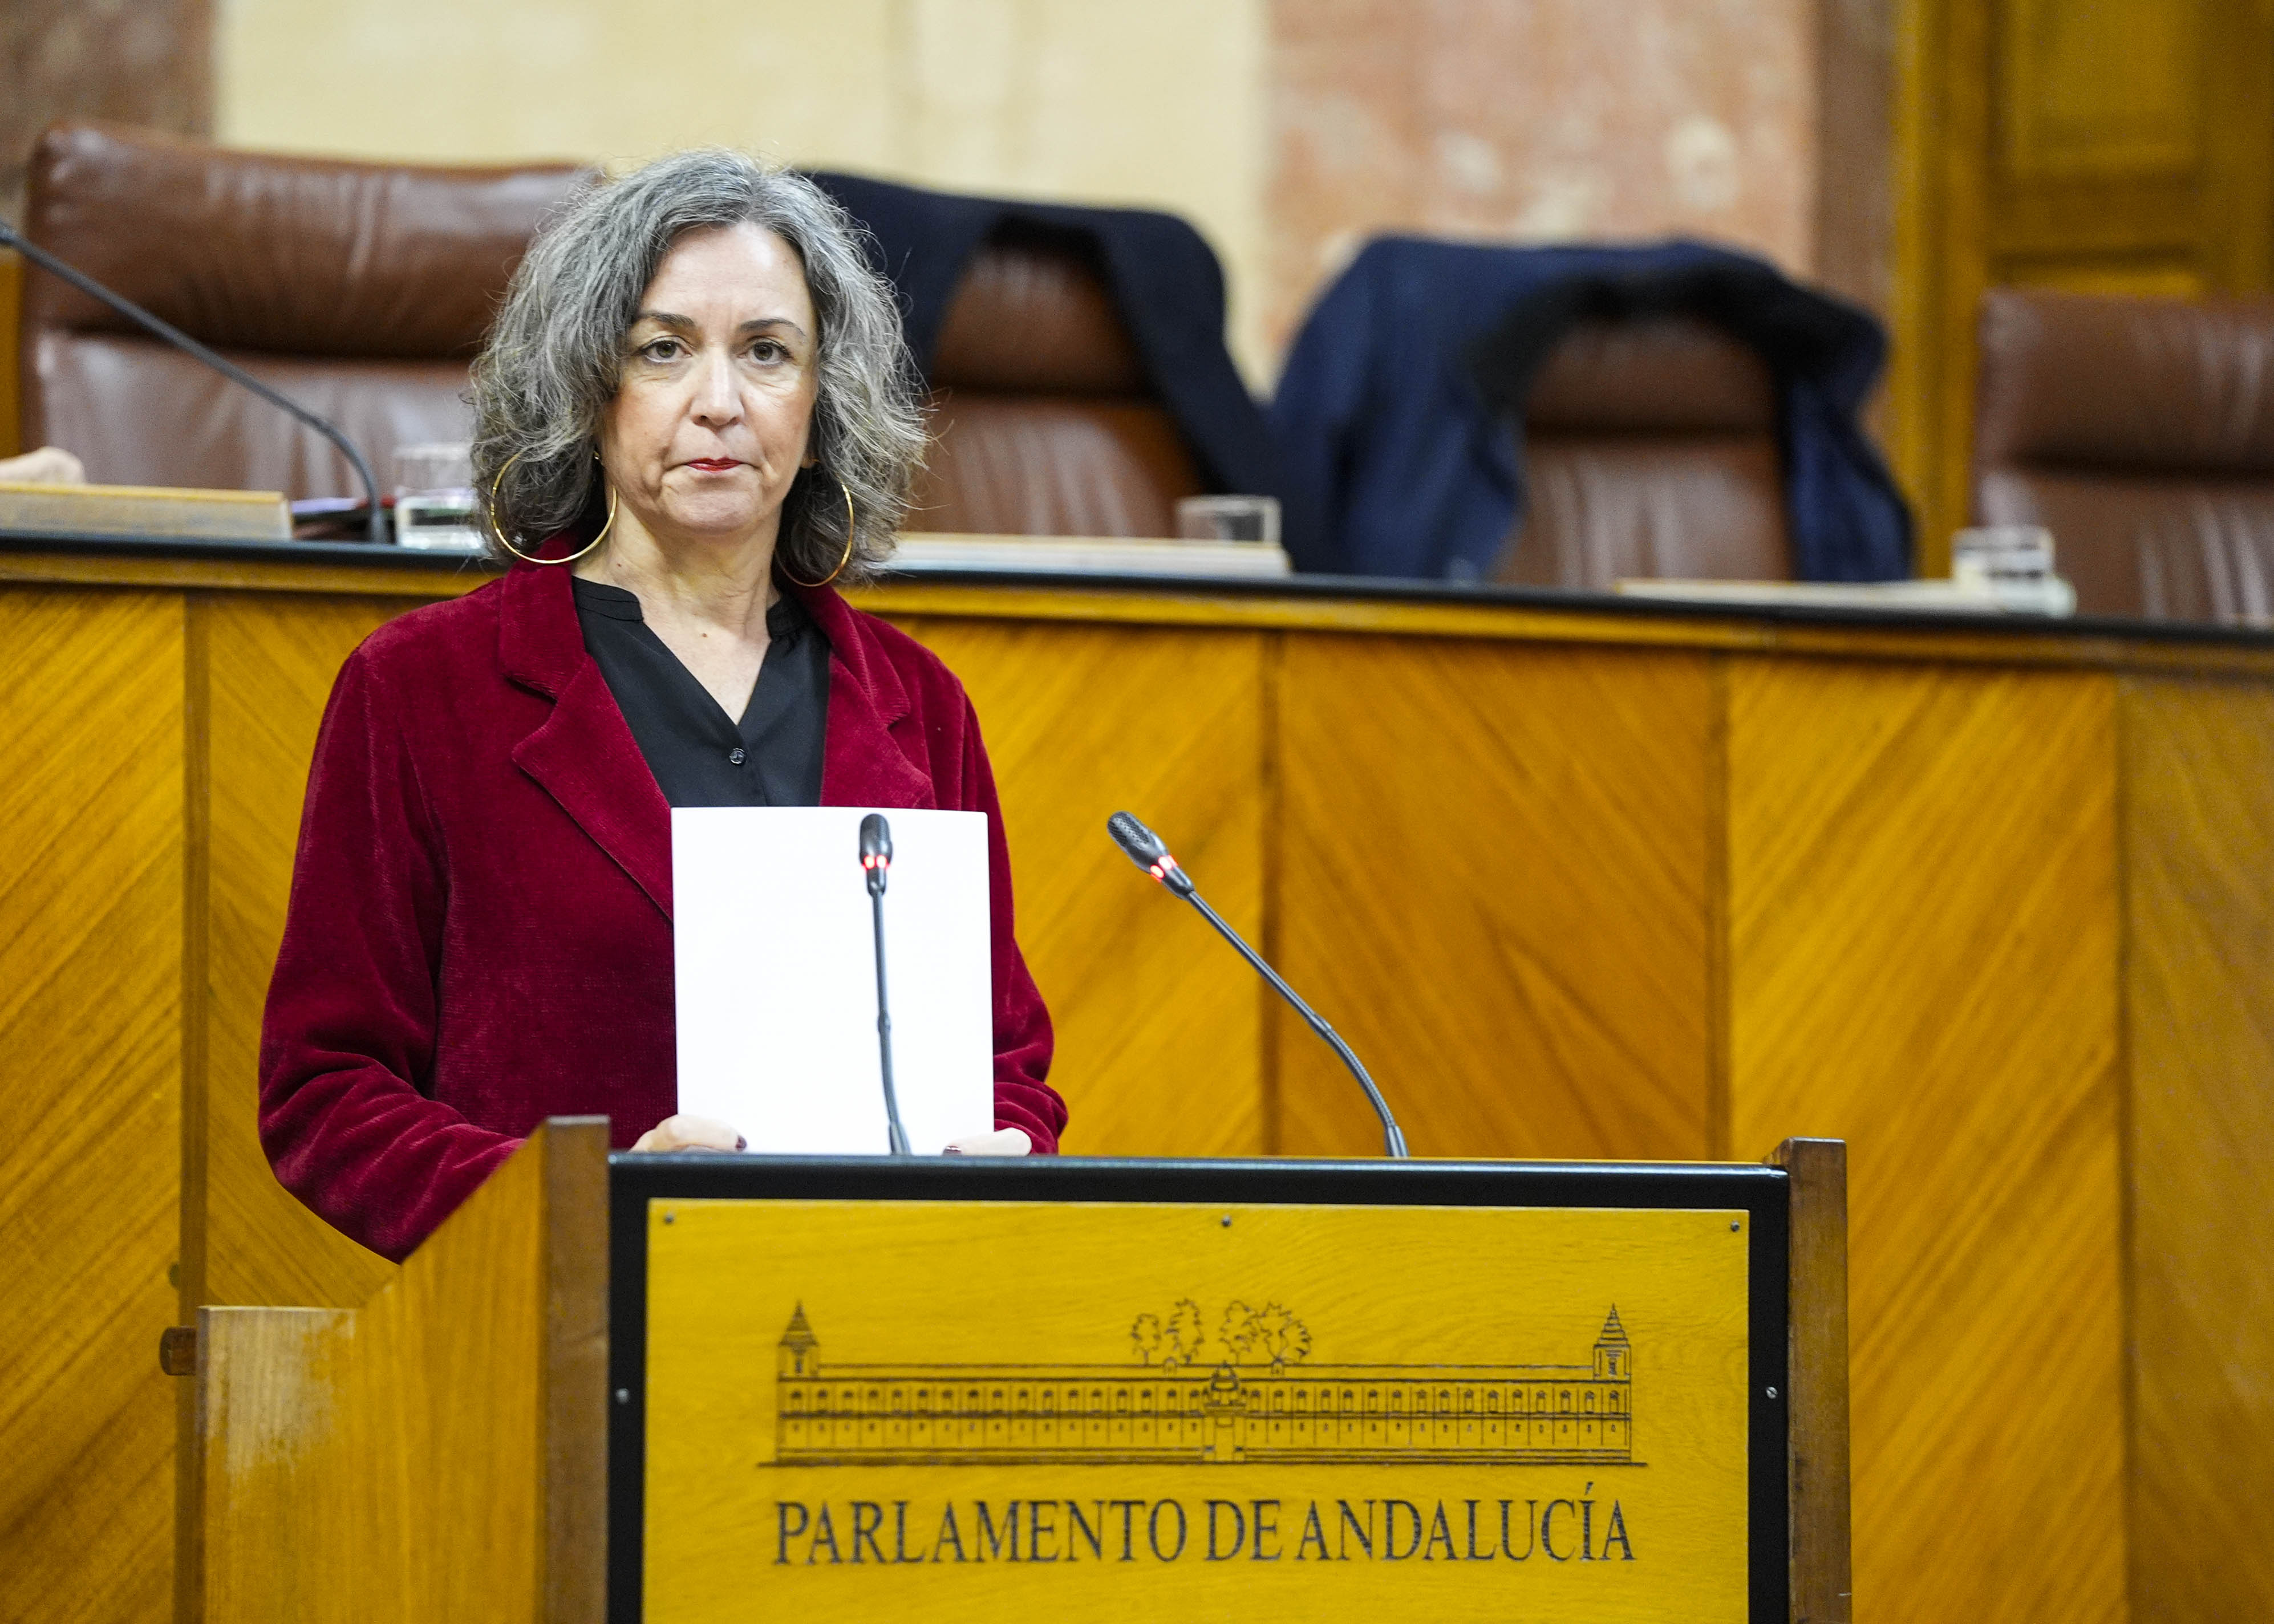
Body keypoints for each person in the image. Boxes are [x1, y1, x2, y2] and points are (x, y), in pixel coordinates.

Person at [260, 152, 1064, 1262]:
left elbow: (1004, 1061)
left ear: (823, 401)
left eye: (767, 352)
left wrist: (1003, 1148)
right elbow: (326, 1094)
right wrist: (590, 1203)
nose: (719, 402)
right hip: (564, 1323)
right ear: (588, 387)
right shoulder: (419, 687)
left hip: (877, 1299)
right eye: (663, 349)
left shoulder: (921, 703)